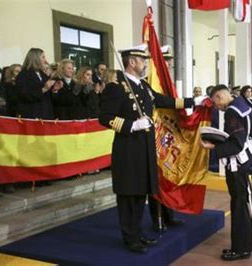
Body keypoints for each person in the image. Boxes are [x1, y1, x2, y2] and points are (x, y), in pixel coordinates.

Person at [98, 44, 198, 253]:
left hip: (144, 149)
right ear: (131, 61)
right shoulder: (116, 87)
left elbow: (164, 101)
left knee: (139, 194)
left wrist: (192, 101)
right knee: (128, 196)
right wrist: (131, 125)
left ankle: (137, 233)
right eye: (142, 60)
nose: (145, 65)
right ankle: (130, 238)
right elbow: (104, 118)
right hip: (127, 150)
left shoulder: (143, 87)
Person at [200, 85, 252, 261]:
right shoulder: (244, 103)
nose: (216, 107)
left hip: (236, 165)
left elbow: (236, 144)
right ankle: (243, 245)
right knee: (242, 202)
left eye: (215, 103)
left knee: (239, 205)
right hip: (245, 159)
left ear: (220, 97)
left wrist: (213, 147)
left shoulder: (232, 113)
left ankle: (241, 249)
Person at [146, 45, 186, 233]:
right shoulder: (150, 83)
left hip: (168, 133)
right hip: (155, 135)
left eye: (169, 62)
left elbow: (170, 103)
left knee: (169, 176)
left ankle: (169, 215)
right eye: (166, 61)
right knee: (157, 179)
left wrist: (191, 102)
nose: (169, 65)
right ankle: (157, 219)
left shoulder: (168, 85)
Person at [16, 48, 63, 120]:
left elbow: (50, 97)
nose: (45, 60)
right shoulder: (23, 75)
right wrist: (44, 89)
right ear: (35, 59)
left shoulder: (43, 75)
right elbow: (25, 95)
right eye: (43, 57)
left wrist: (54, 90)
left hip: (46, 115)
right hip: (32, 116)